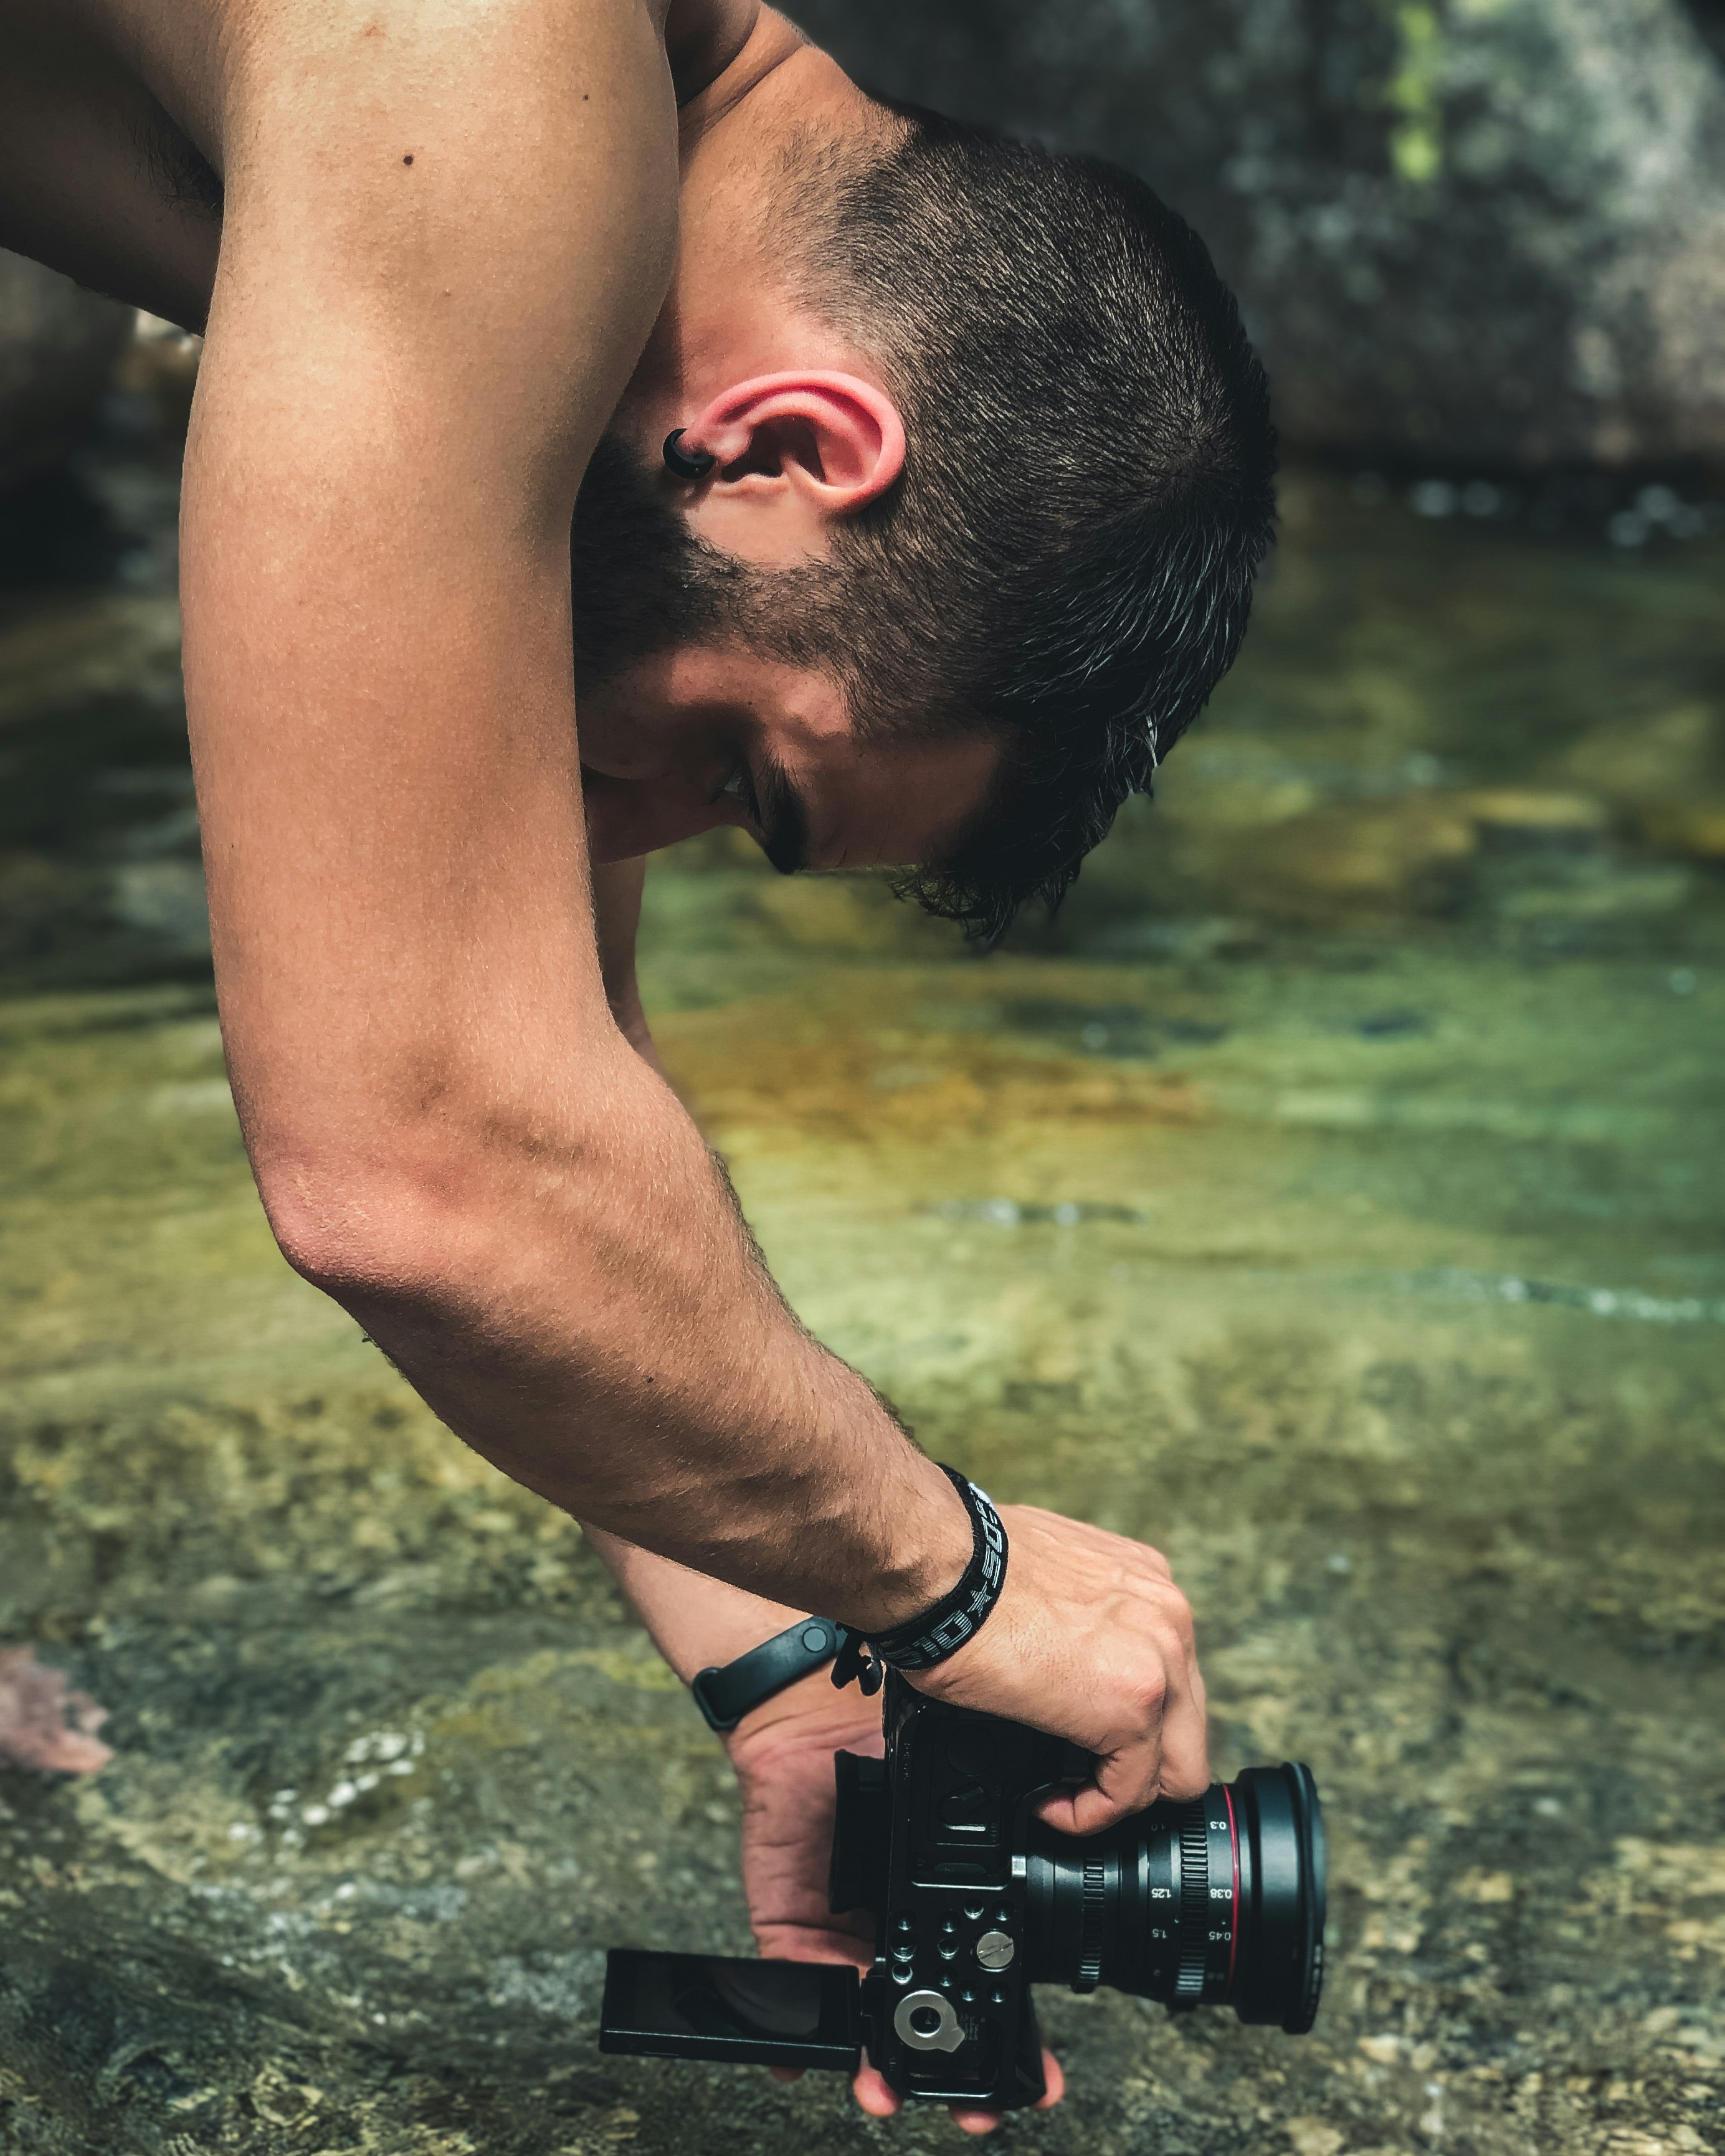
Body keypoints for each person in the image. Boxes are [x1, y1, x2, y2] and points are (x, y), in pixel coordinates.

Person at [0, 0, 1275, 2129]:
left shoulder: (535, 158)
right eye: (734, 775)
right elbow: (419, 1163)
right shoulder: (494, 82)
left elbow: (548, 1063)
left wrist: (793, 1664)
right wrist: (954, 1578)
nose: (619, 827)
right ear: (792, 444)